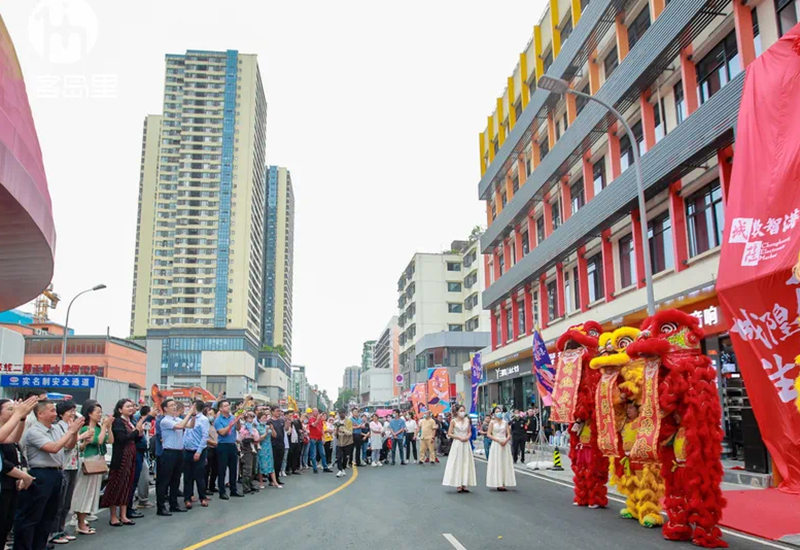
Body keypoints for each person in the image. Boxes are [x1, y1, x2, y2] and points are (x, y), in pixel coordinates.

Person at [16, 400, 83, 550]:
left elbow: (68, 446)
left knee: (48, 516)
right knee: (33, 516)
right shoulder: (34, 431)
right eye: (52, 411)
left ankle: (40, 545)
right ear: (40, 413)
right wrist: (71, 432)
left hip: (56, 472)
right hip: (41, 474)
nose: (55, 414)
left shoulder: (55, 429)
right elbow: (53, 448)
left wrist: (74, 432)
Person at [102, 399, 146, 525]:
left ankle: (123, 514)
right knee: (117, 485)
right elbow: (122, 439)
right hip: (121, 457)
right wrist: (136, 431)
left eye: (132, 406)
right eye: (127, 406)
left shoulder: (130, 421)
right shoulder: (118, 422)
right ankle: (113, 516)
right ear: (120, 409)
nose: (131, 408)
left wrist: (139, 433)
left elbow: (134, 439)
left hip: (131, 456)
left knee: (128, 485)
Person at [71, 400, 112, 536]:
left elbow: (110, 440)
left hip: (98, 461)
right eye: (97, 412)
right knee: (84, 492)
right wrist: (105, 427)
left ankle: (83, 519)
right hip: (88, 461)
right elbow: (98, 441)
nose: (100, 415)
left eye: (101, 412)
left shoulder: (100, 427)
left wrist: (108, 427)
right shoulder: (85, 428)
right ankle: (80, 522)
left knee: (92, 492)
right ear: (89, 413)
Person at [0, 399, 35, 547]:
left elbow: (13, 438)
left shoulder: (6, 431)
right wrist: (23, 475)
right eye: (9, 409)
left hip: (9, 484)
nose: (13, 411)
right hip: (5, 482)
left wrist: (21, 417)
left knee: (5, 524)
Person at [156, 398, 195, 515]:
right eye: (171, 405)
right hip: (168, 452)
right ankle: (161, 507)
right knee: (164, 481)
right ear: (165, 409)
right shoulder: (165, 421)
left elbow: (190, 426)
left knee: (175, 480)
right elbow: (181, 426)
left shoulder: (177, 419)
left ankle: (174, 504)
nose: (174, 407)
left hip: (179, 452)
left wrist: (193, 415)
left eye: (175, 405)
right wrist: (188, 413)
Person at [50, 400, 80, 545]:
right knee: (59, 502)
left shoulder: (72, 427)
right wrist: (73, 433)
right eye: (70, 411)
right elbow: (67, 446)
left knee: (67, 502)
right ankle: (54, 532)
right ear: (61, 414)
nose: (73, 414)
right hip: (64, 466)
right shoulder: (58, 428)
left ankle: (61, 529)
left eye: (74, 411)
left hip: (73, 465)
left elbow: (76, 446)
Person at [441, 405, 476, 493]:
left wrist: (467, 437)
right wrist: (459, 437)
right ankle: (458, 484)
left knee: (466, 462)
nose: (462, 412)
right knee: (458, 462)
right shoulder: (453, 421)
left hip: (466, 443)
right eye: (461, 410)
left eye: (463, 410)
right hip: (457, 443)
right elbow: (449, 433)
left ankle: (465, 484)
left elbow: (469, 432)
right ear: (456, 412)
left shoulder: (467, 420)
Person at [213, 400, 243, 500]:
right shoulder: (218, 420)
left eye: (228, 405)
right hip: (222, 445)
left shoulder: (232, 417)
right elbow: (222, 433)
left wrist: (237, 420)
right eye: (225, 406)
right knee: (222, 470)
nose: (228, 407)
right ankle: (222, 491)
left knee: (233, 469)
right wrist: (231, 424)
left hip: (232, 445)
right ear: (220, 409)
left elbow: (239, 428)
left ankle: (233, 490)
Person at [183, 400, 209, 508]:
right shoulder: (187, 418)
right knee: (187, 476)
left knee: (199, 476)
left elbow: (204, 436)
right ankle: (187, 498)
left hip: (198, 450)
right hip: (187, 450)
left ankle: (202, 497)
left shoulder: (203, 420)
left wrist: (199, 451)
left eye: (191, 405)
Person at [486, 406, 516, 491]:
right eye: (497, 411)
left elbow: (509, 434)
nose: (499, 413)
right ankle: (497, 482)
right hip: (496, 443)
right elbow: (489, 434)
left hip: (504, 443)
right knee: (497, 462)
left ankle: (504, 482)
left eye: (500, 411)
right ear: (494, 414)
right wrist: (498, 440)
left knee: (504, 462)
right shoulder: (492, 423)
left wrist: (506, 440)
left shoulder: (505, 422)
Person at [255, 412, 281, 488]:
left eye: (265, 418)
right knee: (261, 464)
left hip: (269, 447)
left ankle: (275, 482)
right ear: (259, 419)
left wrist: (272, 429)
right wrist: (266, 432)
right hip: (262, 447)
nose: (265, 419)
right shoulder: (258, 427)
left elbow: (274, 435)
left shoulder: (268, 426)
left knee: (271, 464)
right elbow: (258, 439)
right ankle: (261, 482)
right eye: (263, 418)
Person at [238, 411, 259, 493]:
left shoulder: (253, 428)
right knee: (247, 468)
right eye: (249, 418)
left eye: (252, 417)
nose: (250, 419)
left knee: (253, 468)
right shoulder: (243, 428)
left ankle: (250, 484)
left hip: (253, 447)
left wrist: (253, 436)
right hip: (246, 448)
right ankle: (245, 487)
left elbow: (257, 438)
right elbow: (240, 438)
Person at [267, 407, 287, 486]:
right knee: (273, 462)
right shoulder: (269, 421)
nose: (279, 413)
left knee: (279, 461)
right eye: (277, 411)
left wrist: (288, 422)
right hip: (273, 444)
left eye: (279, 411)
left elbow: (285, 429)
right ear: (272, 412)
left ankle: (277, 478)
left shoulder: (281, 421)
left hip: (281, 443)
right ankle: (271, 479)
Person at [307, 409, 331, 474]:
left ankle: (325, 467)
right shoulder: (311, 419)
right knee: (313, 454)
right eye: (315, 411)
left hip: (319, 438)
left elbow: (322, 429)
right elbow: (314, 425)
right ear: (312, 412)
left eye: (317, 411)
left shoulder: (320, 420)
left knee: (323, 453)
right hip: (313, 438)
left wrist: (323, 437)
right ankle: (315, 468)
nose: (317, 413)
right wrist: (318, 419)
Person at [334, 410, 353, 478]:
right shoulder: (337, 422)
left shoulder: (349, 421)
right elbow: (335, 433)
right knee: (339, 457)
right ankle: (340, 469)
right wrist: (336, 430)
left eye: (342, 413)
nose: (341, 414)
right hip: (339, 442)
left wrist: (343, 430)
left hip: (347, 442)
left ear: (345, 413)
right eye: (340, 413)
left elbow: (350, 433)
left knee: (345, 457)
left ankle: (343, 468)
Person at [204, 407, 218, 494]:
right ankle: (205, 488)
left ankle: (212, 486)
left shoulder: (216, 424)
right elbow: (204, 437)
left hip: (217, 448)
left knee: (215, 469)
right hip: (209, 448)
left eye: (212, 414)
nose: (210, 416)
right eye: (208, 414)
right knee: (206, 469)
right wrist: (213, 442)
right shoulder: (205, 424)